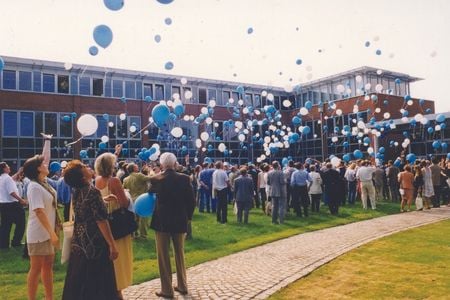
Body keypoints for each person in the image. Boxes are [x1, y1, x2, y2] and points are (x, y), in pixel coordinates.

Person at [62, 160, 119, 300]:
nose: (88, 167)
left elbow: (85, 208)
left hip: (79, 243)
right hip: (95, 244)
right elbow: (101, 220)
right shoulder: (93, 191)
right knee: (98, 283)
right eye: (84, 167)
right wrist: (112, 244)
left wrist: (102, 200)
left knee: (79, 281)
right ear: (82, 176)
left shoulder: (77, 191)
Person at [149, 152, 195, 298]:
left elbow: (149, 194)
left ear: (162, 164)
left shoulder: (156, 179)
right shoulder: (185, 178)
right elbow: (192, 201)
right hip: (180, 219)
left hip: (162, 221)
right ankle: (182, 285)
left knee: (163, 256)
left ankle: (167, 289)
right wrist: (188, 217)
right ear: (175, 164)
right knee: (179, 253)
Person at [24, 134, 61, 300]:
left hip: (48, 231)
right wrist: (51, 234)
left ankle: (49, 298)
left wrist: (47, 141)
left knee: (48, 266)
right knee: (36, 268)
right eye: (42, 164)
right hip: (39, 234)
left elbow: (45, 157)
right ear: (38, 168)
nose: (46, 164)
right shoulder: (34, 187)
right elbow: (39, 212)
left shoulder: (43, 183)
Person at [95, 152, 133, 300]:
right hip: (118, 223)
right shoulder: (114, 181)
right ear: (110, 166)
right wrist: (126, 195)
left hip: (105, 223)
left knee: (108, 260)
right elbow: (124, 203)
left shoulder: (96, 180)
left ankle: (110, 290)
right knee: (120, 260)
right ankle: (118, 292)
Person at [0, 163, 27, 249]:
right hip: (13, 204)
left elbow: (12, 179)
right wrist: (21, 200)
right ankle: (16, 241)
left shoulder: (2, 178)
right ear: (4, 169)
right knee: (21, 222)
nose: (9, 167)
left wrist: (18, 173)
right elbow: (11, 192)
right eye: (7, 166)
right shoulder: (7, 178)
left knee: (6, 225)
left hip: (3, 205)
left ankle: (3, 245)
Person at [123, 163, 151, 239]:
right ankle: (143, 235)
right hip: (142, 199)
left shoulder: (125, 179)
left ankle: (134, 234)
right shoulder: (139, 175)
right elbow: (149, 179)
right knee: (143, 218)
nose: (138, 167)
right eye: (136, 166)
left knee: (134, 218)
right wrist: (150, 172)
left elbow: (124, 189)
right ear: (134, 169)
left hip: (132, 200)